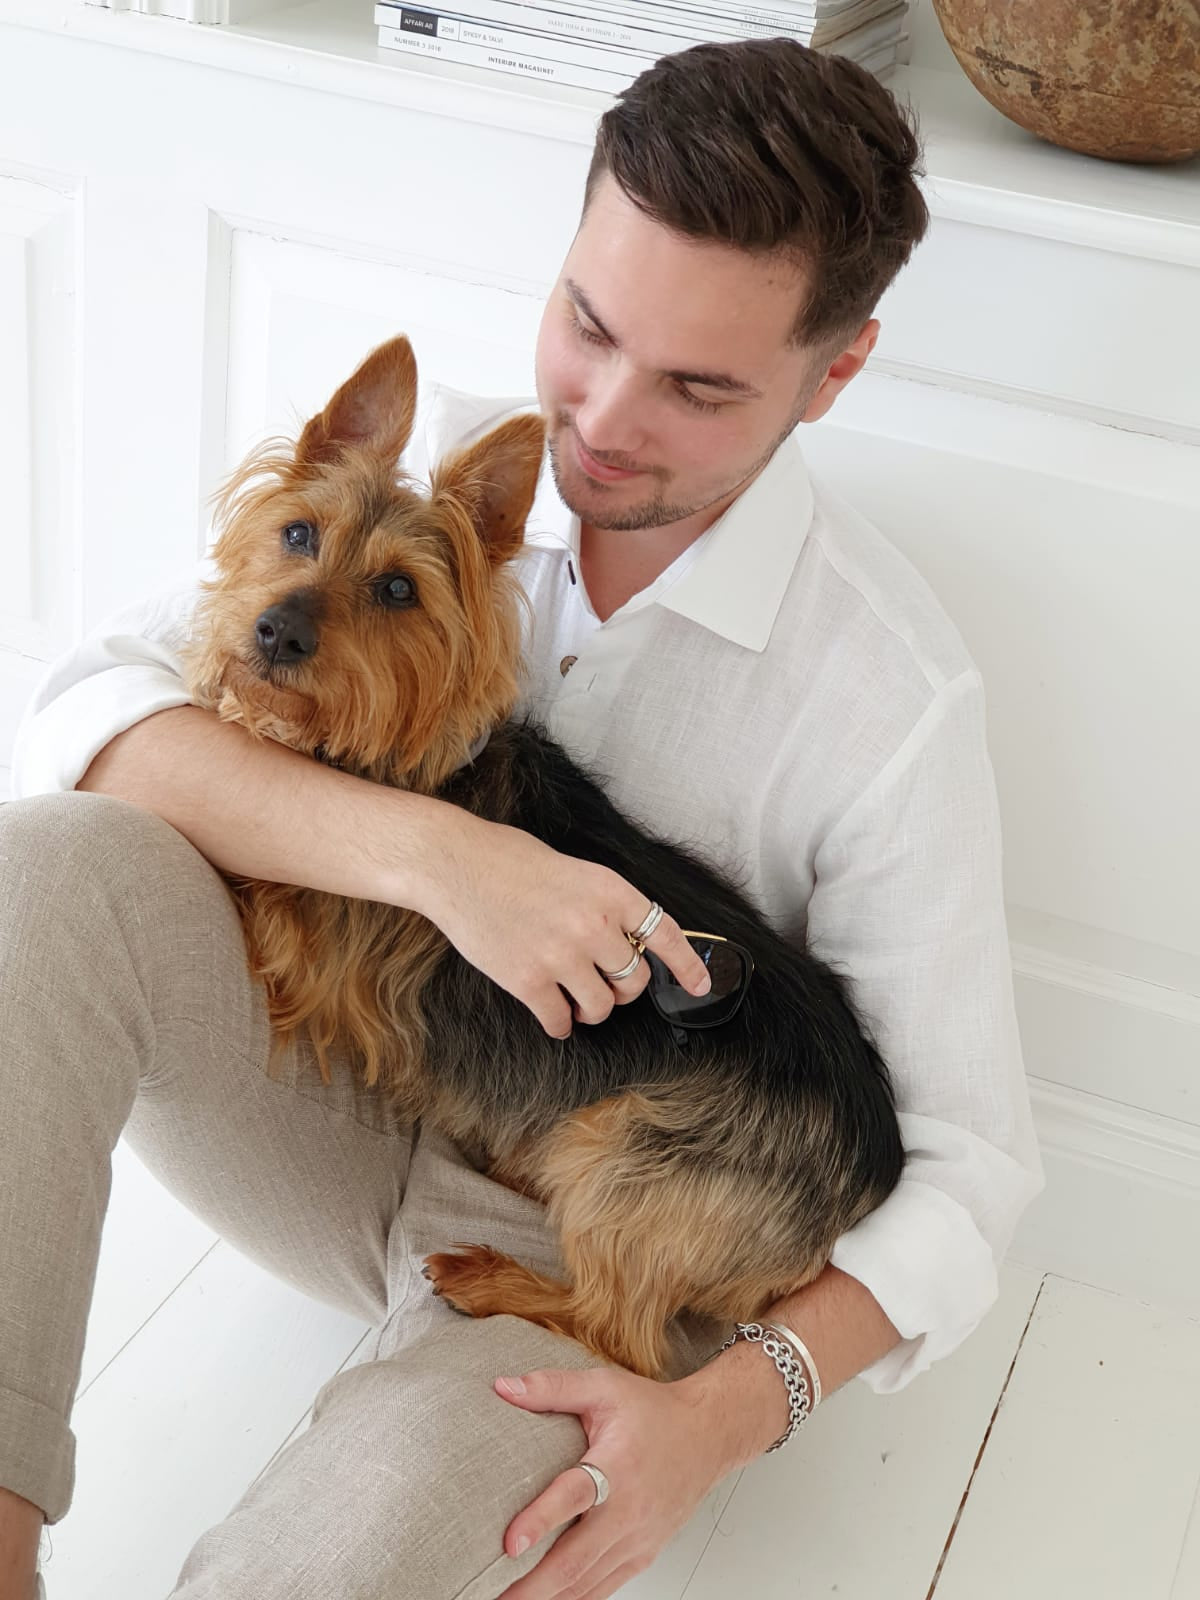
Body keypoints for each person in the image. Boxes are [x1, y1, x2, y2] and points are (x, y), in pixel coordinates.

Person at [0, 37, 1044, 1600]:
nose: (602, 423)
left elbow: (970, 1178)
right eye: (589, 325)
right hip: (323, 1105)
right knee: (45, 869)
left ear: (834, 375)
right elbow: (88, 710)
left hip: (579, 1232)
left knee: (347, 1558)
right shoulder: (427, 486)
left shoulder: (886, 697)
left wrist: (723, 1416)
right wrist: (449, 860)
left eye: (697, 387)